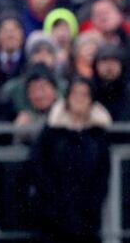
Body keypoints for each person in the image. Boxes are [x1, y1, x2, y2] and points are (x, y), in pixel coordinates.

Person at [29, 77, 111, 243]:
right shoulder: (52, 131)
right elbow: (38, 166)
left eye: (84, 95)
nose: (79, 99)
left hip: (87, 214)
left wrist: (92, 205)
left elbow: (103, 173)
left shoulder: (98, 133)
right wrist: (51, 203)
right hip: (52, 213)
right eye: (75, 94)